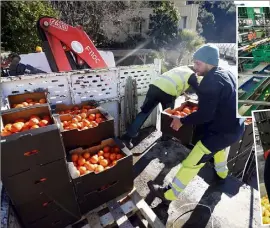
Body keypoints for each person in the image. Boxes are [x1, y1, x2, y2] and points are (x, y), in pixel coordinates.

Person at [150, 44, 245, 204]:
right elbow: (219, 101)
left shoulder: (211, 80)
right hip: (235, 128)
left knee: (192, 162)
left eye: (198, 63)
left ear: (209, 62)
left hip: (222, 132)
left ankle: (168, 195)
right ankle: (222, 176)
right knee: (219, 150)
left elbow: (205, 114)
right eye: (194, 63)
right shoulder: (226, 73)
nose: (195, 68)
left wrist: (182, 120)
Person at [122, 65, 202, 149]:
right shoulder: (192, 74)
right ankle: (165, 137)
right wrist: (202, 102)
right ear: (195, 70)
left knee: (144, 113)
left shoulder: (179, 69)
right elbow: (199, 90)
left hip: (154, 88)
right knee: (168, 117)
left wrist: (185, 95)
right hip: (168, 94)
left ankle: (127, 138)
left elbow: (174, 82)